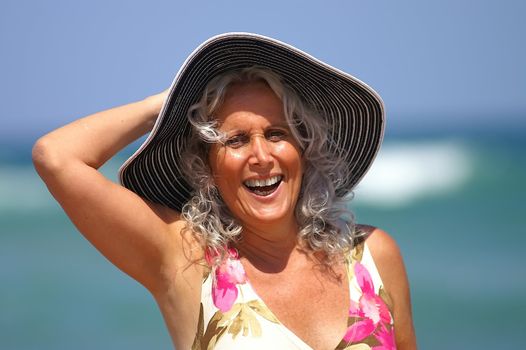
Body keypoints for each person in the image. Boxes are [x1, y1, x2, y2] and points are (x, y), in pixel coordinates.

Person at [33, 33, 417, 349]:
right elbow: (56, 158)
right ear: (207, 167)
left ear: (305, 149)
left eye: (276, 134)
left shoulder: (372, 254)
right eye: (236, 140)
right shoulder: (186, 262)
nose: (262, 156)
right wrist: (164, 106)